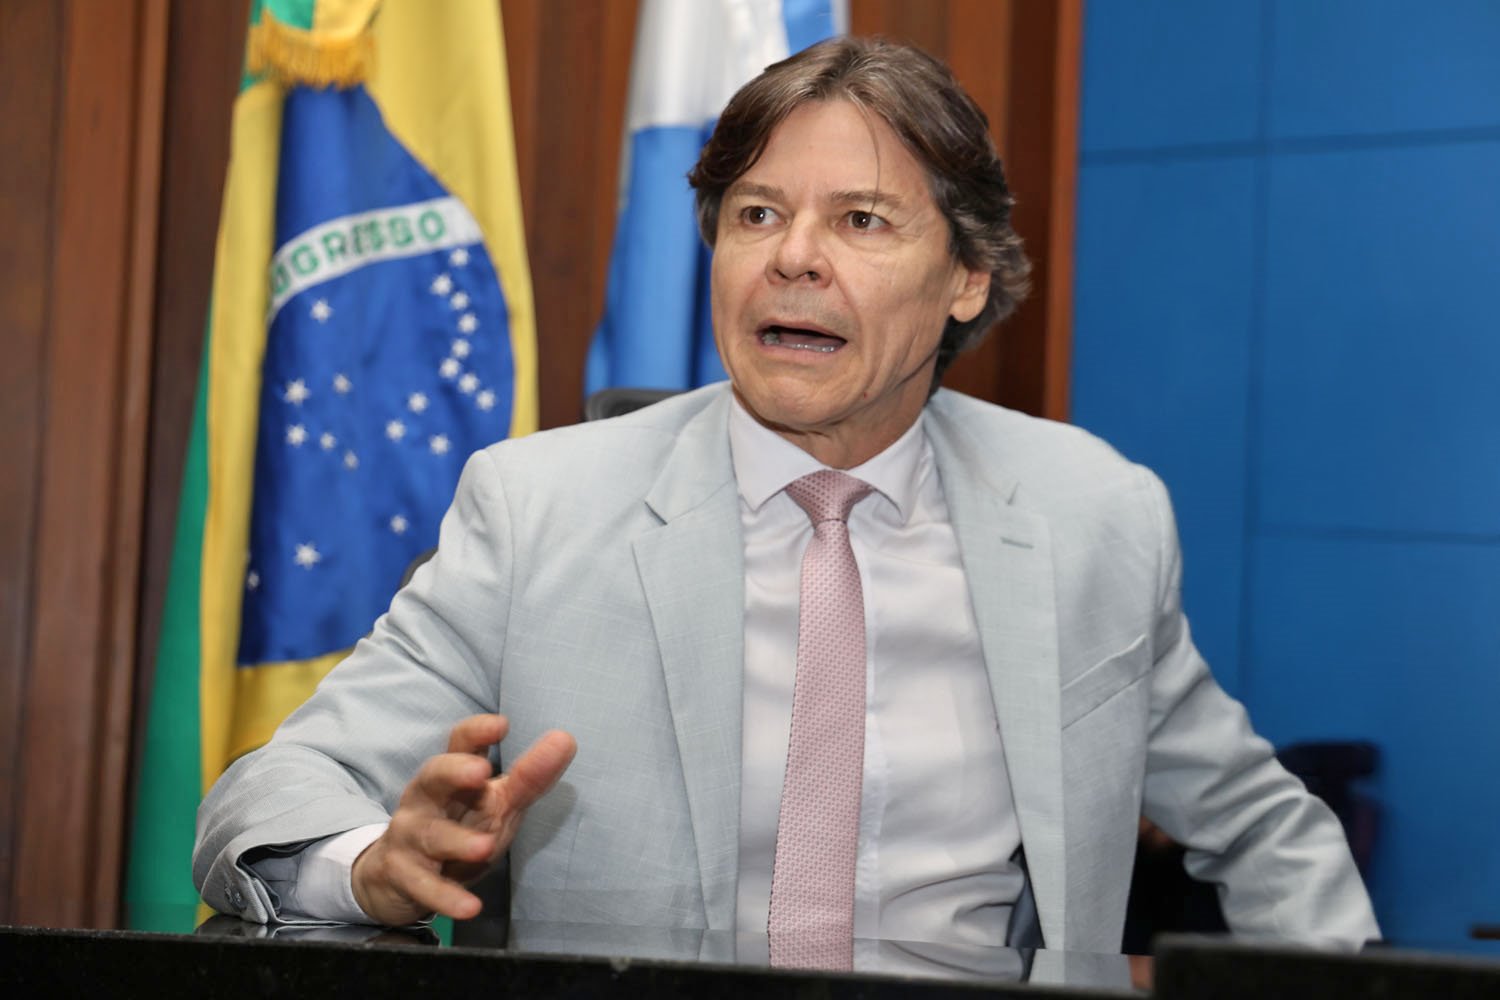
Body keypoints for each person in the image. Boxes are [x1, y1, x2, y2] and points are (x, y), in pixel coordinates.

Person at [195, 37, 1379, 957]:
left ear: (968, 277)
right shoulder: (537, 508)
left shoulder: (1091, 515)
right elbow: (264, 797)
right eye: (757, 214)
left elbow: (1265, 832)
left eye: (860, 220)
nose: (793, 256)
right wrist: (372, 867)